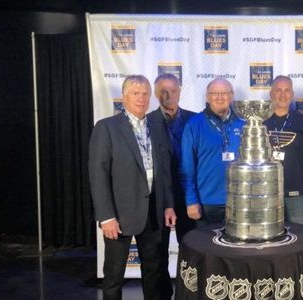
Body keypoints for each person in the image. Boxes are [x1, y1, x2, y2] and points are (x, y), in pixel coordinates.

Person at [89, 75, 176, 300]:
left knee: (155, 272)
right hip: (119, 215)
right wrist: (106, 216)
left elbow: (164, 169)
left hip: (154, 212)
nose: (141, 98)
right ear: (124, 96)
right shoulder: (107, 127)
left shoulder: (157, 125)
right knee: (114, 275)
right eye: (135, 93)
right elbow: (97, 175)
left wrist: (168, 206)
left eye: (145, 94)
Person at [180, 77, 244, 226]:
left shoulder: (243, 125)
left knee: (238, 248)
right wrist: (191, 201)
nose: (220, 97)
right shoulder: (194, 124)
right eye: (214, 93)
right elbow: (187, 168)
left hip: (239, 201)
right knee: (207, 248)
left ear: (232, 95)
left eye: (224, 93)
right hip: (206, 203)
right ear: (207, 97)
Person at [148, 73, 196, 242]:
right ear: (155, 93)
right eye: (163, 91)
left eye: (173, 90)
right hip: (159, 197)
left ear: (180, 91)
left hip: (189, 195)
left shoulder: (195, 120)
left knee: (192, 246)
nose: (169, 96)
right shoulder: (146, 122)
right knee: (157, 252)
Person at [263, 75, 303, 224]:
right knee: (269, 239)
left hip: (294, 193)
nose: (282, 95)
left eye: (287, 90)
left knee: (297, 240)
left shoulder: (302, 122)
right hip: (266, 192)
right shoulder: (261, 121)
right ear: (271, 93)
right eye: (278, 90)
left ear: (292, 94)